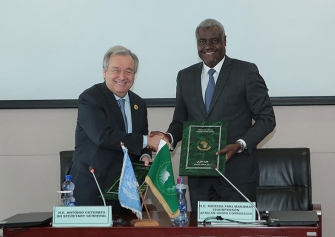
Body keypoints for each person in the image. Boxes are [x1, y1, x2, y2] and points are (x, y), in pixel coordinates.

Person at [150, 19, 276, 212]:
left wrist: (240, 145)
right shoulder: (185, 76)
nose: (208, 46)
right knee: (203, 235)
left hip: (237, 175)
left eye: (214, 40)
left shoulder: (246, 72)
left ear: (224, 41)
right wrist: (169, 137)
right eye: (202, 42)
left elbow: (267, 118)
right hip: (200, 178)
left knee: (238, 236)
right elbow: (181, 121)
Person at [70, 45, 160, 211]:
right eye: (116, 70)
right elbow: (103, 136)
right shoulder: (90, 98)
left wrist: (146, 154)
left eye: (128, 71)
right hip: (94, 187)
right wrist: (148, 141)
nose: (122, 76)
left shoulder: (138, 103)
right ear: (105, 72)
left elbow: (139, 138)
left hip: (128, 190)